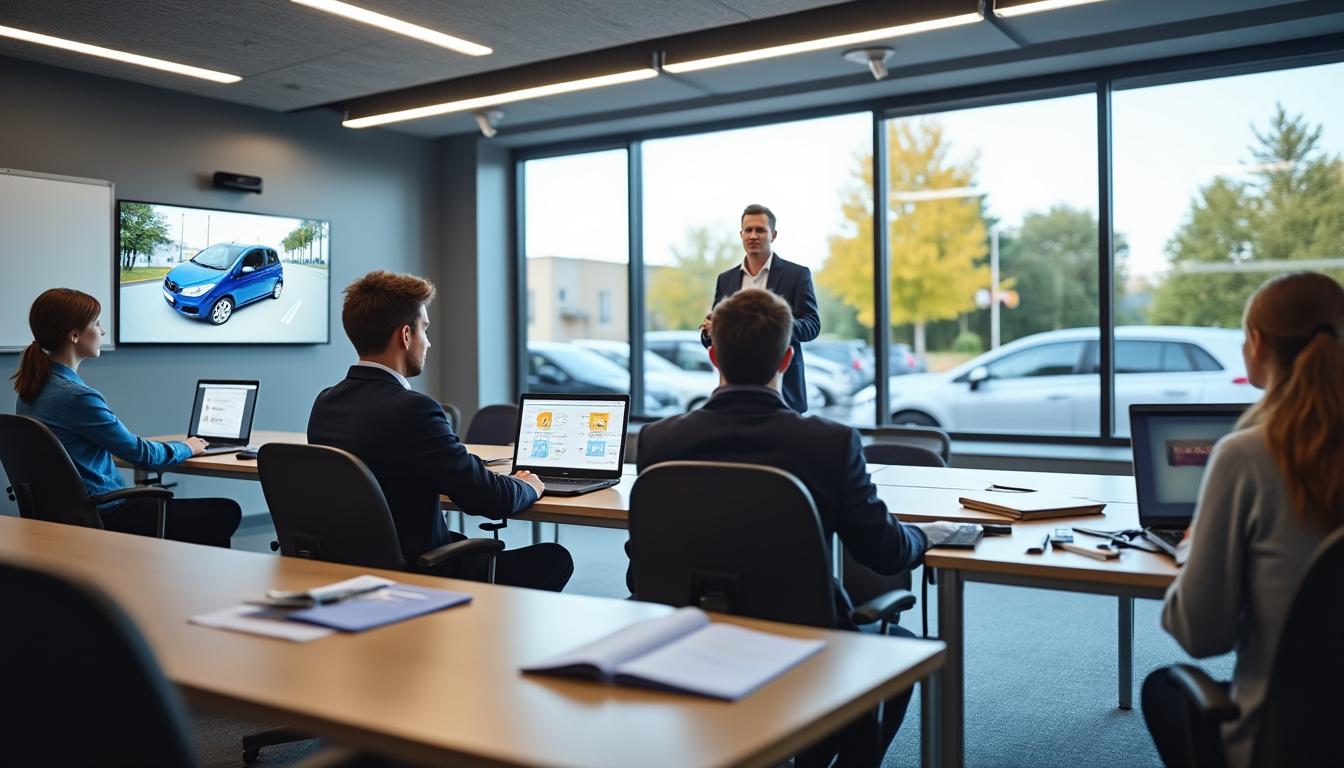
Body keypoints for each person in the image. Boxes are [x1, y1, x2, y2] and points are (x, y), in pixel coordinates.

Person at [639, 288, 961, 764]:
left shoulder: (658, 439)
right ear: (788, 358)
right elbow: (885, 552)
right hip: (799, 644)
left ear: (713, 355)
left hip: (683, 633)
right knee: (902, 648)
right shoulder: (829, 443)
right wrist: (926, 535)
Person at [1144, 271, 1344, 768]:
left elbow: (1201, 634)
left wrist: (1192, 549)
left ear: (1256, 343)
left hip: (1284, 740)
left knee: (1162, 689)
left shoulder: (1249, 455)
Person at [308, 270, 572, 591]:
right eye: (425, 329)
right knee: (554, 558)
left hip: (347, 565)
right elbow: (487, 499)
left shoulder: (326, 403)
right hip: (412, 571)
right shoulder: (414, 410)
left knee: (460, 539)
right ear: (406, 336)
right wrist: (527, 485)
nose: (428, 342)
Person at [11, 288, 240, 547]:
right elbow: (141, 454)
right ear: (74, 335)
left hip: (64, 517)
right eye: (97, 324)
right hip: (105, 513)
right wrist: (187, 447)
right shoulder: (77, 397)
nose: (103, 331)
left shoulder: (31, 390)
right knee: (226, 512)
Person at [699, 204, 820, 413]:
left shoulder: (797, 275)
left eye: (760, 230)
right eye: (748, 230)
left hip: (784, 392)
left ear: (773, 235)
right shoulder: (725, 279)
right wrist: (709, 331)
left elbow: (812, 326)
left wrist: (775, 324)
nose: (753, 236)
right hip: (733, 393)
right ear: (741, 234)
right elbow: (712, 335)